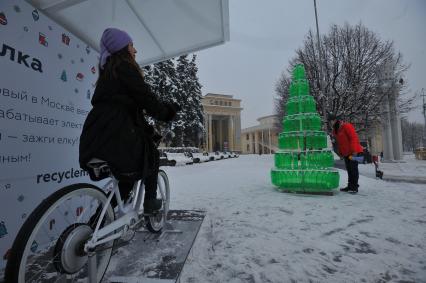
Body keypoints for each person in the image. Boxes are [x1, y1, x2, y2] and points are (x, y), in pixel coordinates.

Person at [79, 28, 179, 213]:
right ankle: (150, 202)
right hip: (117, 134)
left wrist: (147, 129)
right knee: (152, 155)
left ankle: (97, 223)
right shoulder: (125, 68)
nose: (135, 50)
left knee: (126, 178)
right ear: (123, 48)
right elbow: (147, 99)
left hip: (95, 137)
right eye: (131, 45)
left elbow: (129, 111)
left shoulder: (108, 73)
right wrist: (168, 112)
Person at [327, 113, 364, 193]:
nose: (330, 123)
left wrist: (354, 151)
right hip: (347, 153)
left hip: (355, 152)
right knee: (349, 169)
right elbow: (340, 143)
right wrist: (340, 152)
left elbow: (353, 138)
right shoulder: (335, 131)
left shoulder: (346, 126)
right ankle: (350, 186)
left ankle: (354, 187)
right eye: (329, 122)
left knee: (353, 168)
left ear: (335, 120)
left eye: (331, 121)